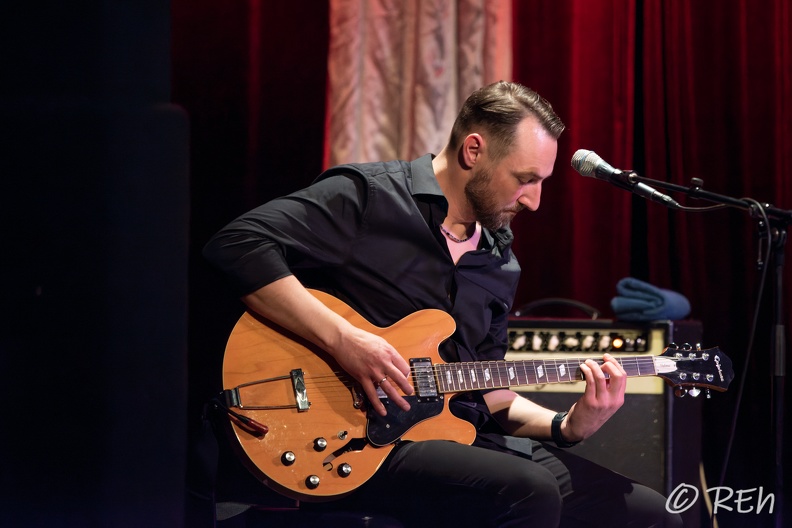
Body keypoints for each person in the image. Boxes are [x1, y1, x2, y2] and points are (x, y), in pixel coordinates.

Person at [204, 81, 682, 527]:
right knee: (527, 489)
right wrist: (344, 340)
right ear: (473, 150)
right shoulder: (370, 197)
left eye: (542, 182)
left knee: (649, 514)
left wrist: (568, 425)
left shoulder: (500, 262)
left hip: (459, 437)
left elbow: (491, 393)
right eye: (525, 179)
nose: (534, 201)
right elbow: (237, 244)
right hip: (358, 439)